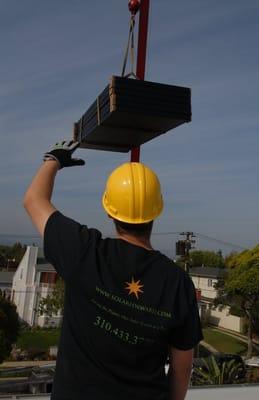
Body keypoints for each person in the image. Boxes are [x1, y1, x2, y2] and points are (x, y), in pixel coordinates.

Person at [24, 140, 203, 400]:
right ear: (156, 211)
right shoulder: (178, 282)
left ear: (109, 211)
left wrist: (54, 160)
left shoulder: (84, 251)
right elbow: (181, 367)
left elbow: (33, 200)